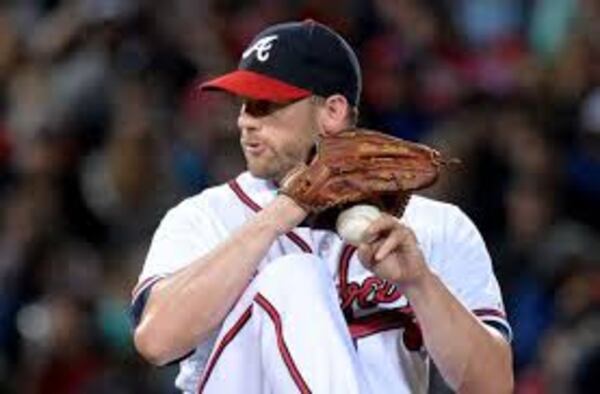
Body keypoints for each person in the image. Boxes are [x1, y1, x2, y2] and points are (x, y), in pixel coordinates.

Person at [131, 20, 513, 393]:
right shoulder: (205, 216)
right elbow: (156, 341)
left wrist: (420, 284)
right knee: (294, 277)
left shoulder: (434, 227)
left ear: (332, 111)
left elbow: (494, 385)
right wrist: (279, 215)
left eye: (265, 104)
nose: (244, 120)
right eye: (244, 104)